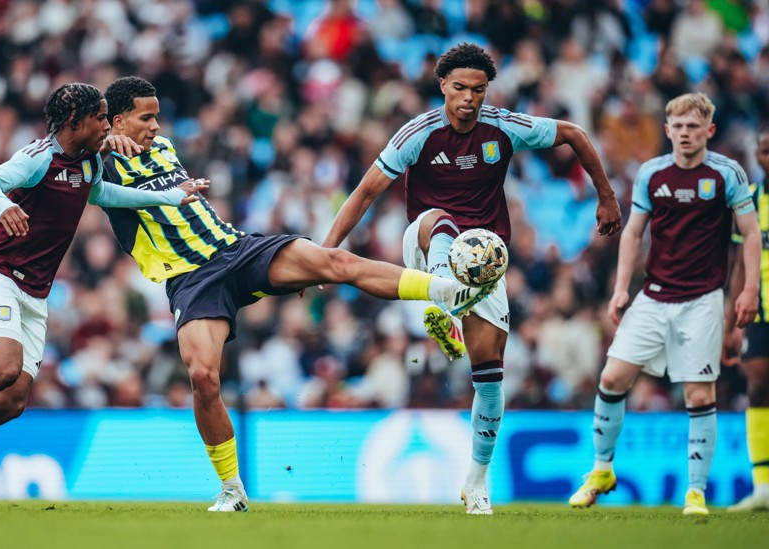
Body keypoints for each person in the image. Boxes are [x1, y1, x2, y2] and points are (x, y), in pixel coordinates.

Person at [99, 76, 486, 512]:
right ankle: (231, 489)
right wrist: (104, 142)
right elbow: (70, 155)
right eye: (145, 117)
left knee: (333, 261)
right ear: (117, 121)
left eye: (157, 116)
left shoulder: (163, 146)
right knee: (204, 378)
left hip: (237, 248)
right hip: (192, 280)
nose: (155, 126)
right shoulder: (100, 163)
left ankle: (447, 291)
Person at [0, 82, 207, 510]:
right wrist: (2, 206)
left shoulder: (88, 163)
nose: (107, 125)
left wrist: (168, 197)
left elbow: (102, 194)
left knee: (10, 402)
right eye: (101, 118)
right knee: (2, 369)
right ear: (75, 122)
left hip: (34, 293)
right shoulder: (38, 158)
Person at [321, 42, 622, 515]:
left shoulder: (503, 127)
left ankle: (476, 482)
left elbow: (575, 134)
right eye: (459, 87)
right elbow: (364, 194)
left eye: (478, 89)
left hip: (484, 264)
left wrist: (606, 196)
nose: (469, 97)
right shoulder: (417, 133)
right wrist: (327, 252)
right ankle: (443, 303)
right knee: (440, 219)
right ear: (442, 86)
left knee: (489, 377)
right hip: (425, 246)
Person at [568, 93, 760, 516]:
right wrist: (621, 288)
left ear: (709, 131)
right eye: (679, 127)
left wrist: (749, 291)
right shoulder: (652, 174)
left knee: (697, 394)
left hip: (703, 300)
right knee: (613, 376)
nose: (686, 134)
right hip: (653, 296)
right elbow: (634, 234)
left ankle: (695, 492)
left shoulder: (727, 173)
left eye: (694, 127)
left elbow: (750, 234)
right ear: (668, 130)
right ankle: (601, 469)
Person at [725, 126, 769, 512]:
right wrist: (730, 323)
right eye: (763, 151)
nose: (766, 158)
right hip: (760, 309)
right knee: (757, 387)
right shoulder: (750, 199)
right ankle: (763, 486)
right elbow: (739, 263)